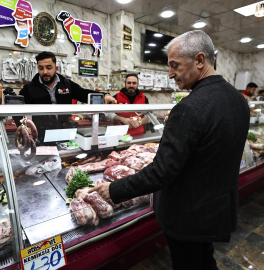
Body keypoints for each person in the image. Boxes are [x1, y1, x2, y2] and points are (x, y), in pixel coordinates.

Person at [90, 30, 250, 270]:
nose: (170, 73)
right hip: (217, 208)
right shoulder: (238, 100)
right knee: (204, 260)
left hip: (188, 216)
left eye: (175, 65)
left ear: (199, 60)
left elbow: (161, 172)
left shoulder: (189, 107)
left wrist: (114, 188)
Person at [16, 51, 116, 144]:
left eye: (49, 67)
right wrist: (24, 128)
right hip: (41, 136)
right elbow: (16, 109)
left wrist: (104, 96)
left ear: (56, 68)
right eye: (41, 68)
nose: (45, 72)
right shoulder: (30, 88)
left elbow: (83, 94)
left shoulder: (67, 84)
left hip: (66, 133)